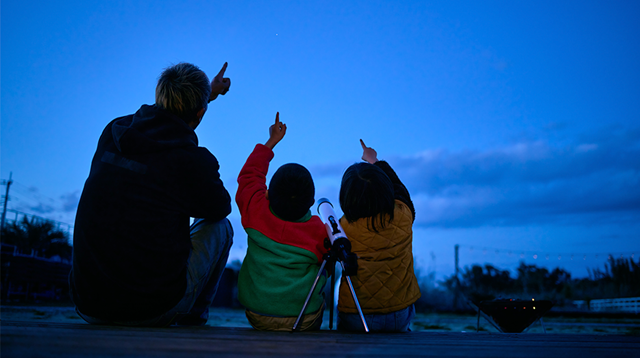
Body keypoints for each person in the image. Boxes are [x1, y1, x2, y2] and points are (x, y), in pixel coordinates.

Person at [70, 62, 234, 327]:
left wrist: (207, 96)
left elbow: (167, 117)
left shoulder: (114, 132)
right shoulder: (192, 161)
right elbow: (220, 207)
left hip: (88, 304)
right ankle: (192, 317)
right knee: (221, 227)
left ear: (160, 95)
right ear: (200, 113)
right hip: (152, 309)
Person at [235, 113, 328, 331]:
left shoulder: (254, 210)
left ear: (267, 193)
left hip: (258, 314)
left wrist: (271, 142)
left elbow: (249, 176)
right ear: (312, 202)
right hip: (304, 318)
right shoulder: (318, 230)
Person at [336, 139, 421, 332]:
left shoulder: (342, 228)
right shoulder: (404, 215)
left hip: (355, 314)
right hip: (398, 314)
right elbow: (400, 189)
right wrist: (374, 161)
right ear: (386, 190)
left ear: (346, 197)